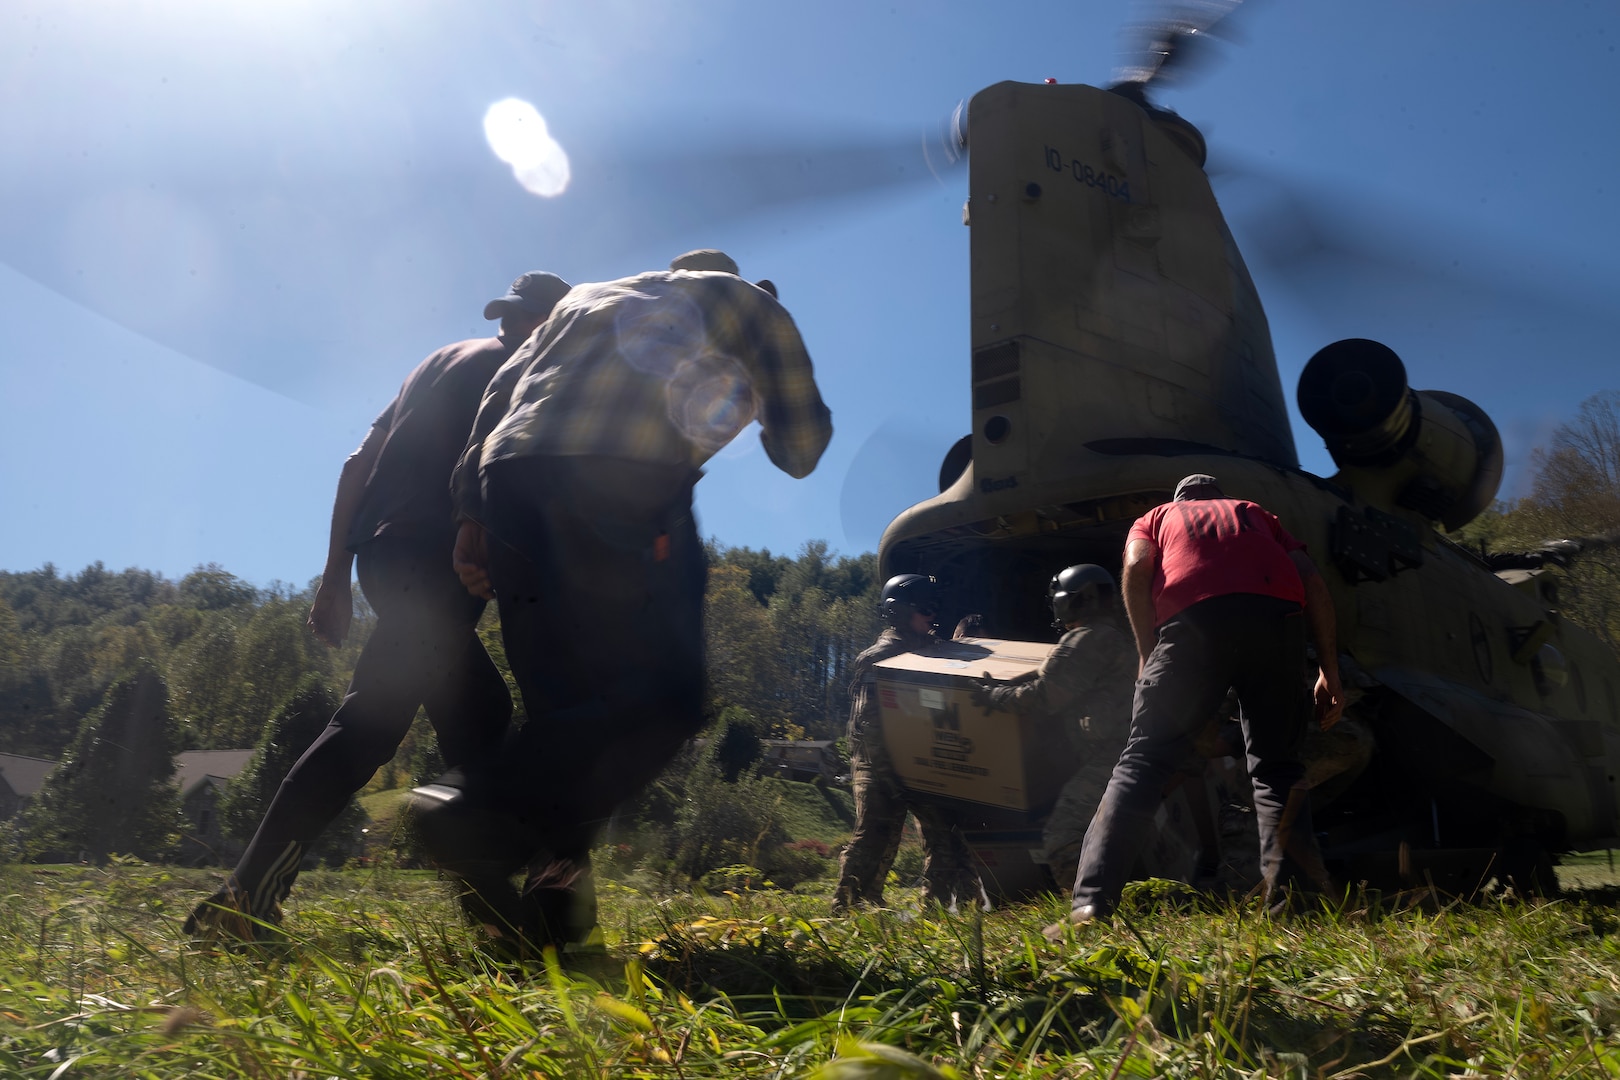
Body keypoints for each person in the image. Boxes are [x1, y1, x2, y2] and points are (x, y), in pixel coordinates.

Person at [408, 249, 833, 954]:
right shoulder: (752, 303)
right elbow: (801, 448)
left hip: (509, 483)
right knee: (665, 698)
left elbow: (497, 399)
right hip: (622, 480)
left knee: (565, 711)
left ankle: (552, 919)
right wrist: (761, 398)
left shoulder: (587, 300)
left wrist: (469, 522)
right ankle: (472, 811)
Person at [185, 272, 572, 944]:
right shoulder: (523, 372)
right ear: (550, 322)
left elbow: (356, 463)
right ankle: (244, 900)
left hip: (383, 560)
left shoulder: (435, 363)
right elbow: (498, 470)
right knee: (368, 723)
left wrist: (335, 574)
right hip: (440, 555)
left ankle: (492, 918)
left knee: (478, 714)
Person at [1049, 473, 1344, 933]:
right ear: (1221, 497)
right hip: (1277, 621)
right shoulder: (1256, 514)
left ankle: (1089, 906)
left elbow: (1136, 566)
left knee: (1142, 763)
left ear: (1180, 500)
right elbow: (1315, 585)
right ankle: (1295, 907)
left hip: (1192, 623)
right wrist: (1329, 670)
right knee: (1276, 766)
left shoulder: (1157, 517)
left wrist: (1148, 652)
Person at [970, 565, 1136, 893]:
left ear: (1073, 601)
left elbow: (1048, 695)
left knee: (1063, 836)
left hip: (1111, 755)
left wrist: (994, 697)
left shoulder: (1087, 639)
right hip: (1118, 751)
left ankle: (1090, 909)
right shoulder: (1109, 637)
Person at [833, 574, 986, 913]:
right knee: (876, 829)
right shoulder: (880, 656)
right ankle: (851, 904)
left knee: (944, 831)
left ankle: (944, 906)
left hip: (921, 757)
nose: (932, 617)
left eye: (934, 609)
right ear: (898, 612)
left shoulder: (930, 648)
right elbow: (866, 724)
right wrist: (893, 771)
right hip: (879, 760)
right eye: (925, 609)